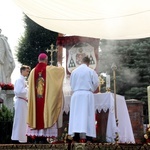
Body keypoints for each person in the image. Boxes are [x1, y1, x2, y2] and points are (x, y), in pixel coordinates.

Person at [26, 53, 64, 143]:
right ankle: (43, 139)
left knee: (37, 115)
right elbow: (61, 72)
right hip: (45, 101)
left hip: (36, 101)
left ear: (38, 60)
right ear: (46, 60)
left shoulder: (32, 72)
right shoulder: (49, 70)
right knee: (45, 116)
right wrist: (59, 65)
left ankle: (38, 138)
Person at [68, 56, 99, 143]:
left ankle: (76, 136)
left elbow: (71, 84)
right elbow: (96, 83)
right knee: (88, 115)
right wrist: (91, 89)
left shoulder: (74, 71)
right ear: (89, 63)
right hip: (87, 95)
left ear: (81, 62)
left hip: (76, 95)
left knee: (76, 116)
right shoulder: (91, 71)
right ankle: (88, 137)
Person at [11, 65, 31, 143]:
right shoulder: (19, 80)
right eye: (27, 71)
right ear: (22, 71)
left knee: (23, 120)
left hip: (23, 102)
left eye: (28, 71)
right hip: (20, 102)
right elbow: (19, 92)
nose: (28, 72)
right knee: (19, 119)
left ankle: (22, 138)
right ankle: (16, 138)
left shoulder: (23, 80)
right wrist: (28, 88)